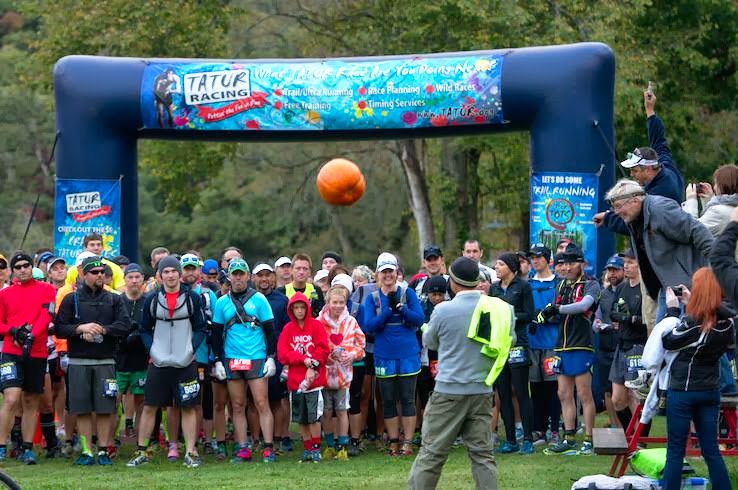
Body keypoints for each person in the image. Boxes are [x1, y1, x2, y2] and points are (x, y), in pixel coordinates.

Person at [408, 256, 514, 490]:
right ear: (477, 280)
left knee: (432, 454)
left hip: (448, 392)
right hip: (482, 391)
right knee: (482, 456)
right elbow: (509, 339)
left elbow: (430, 342)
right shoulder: (501, 308)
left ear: (453, 283)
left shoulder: (444, 310)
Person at [594, 179, 714, 325]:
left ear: (635, 201)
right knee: (663, 339)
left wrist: (719, 266)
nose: (616, 212)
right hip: (667, 288)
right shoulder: (635, 218)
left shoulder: (660, 210)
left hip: (686, 287)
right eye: (614, 208)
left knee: (679, 339)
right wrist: (607, 218)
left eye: (618, 207)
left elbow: (698, 231)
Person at [126, 256, 207, 469]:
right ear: (160, 276)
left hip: (185, 361)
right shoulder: (152, 299)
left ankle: (190, 451)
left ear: (179, 274)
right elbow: (143, 328)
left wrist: (191, 350)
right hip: (159, 362)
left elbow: (201, 328)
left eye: (173, 271)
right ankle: (141, 450)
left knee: (189, 407)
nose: (170, 275)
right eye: (166, 272)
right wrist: (151, 349)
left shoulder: (193, 298)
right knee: (150, 405)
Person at [659, 270, 734, 489]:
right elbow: (720, 311)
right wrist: (695, 301)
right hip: (710, 390)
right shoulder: (727, 323)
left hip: (683, 390)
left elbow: (668, 340)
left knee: (675, 450)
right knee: (711, 450)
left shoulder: (693, 322)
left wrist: (672, 311)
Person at [55, 256, 130, 466]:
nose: (100, 276)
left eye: (102, 272)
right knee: (82, 408)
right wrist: (80, 329)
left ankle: (104, 450)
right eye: (94, 272)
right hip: (79, 361)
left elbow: (125, 325)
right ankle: (87, 451)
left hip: (106, 361)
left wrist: (103, 330)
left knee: (106, 408)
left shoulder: (114, 299)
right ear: (83, 274)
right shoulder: (72, 299)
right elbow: (59, 328)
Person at [211, 258, 278, 463]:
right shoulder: (222, 302)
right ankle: (243, 448)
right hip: (232, 358)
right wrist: (218, 361)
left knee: (261, 402)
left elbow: (270, 330)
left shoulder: (259, 299)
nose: (238, 277)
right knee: (237, 405)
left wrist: (271, 358)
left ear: (248, 276)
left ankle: (268, 447)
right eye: (235, 274)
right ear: (229, 277)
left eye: (242, 274)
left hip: (256, 357)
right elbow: (215, 334)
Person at [363, 252, 424, 457]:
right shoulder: (372, 298)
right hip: (384, 355)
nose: (388, 275)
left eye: (391, 271)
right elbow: (369, 326)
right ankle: (393, 441)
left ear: (397, 272)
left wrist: (402, 309)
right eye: (384, 272)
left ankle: (407, 442)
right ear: (377, 274)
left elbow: (419, 319)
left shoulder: (408, 293)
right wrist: (388, 311)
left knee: (407, 399)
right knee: (387, 400)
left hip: (408, 354)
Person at [541, 246, 599, 456]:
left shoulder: (591, 284)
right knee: (563, 393)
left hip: (581, 344)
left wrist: (558, 309)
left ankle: (589, 439)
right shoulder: (562, 285)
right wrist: (545, 315)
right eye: (563, 263)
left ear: (582, 264)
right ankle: (570, 438)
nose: (566, 267)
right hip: (562, 345)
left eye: (572, 263)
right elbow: (559, 312)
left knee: (584, 393)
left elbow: (584, 306)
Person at [0, 252, 57, 464]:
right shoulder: (5, 294)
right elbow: (0, 323)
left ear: (31, 267)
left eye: (26, 266)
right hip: (11, 351)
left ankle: (27, 448)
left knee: (31, 400)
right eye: (18, 267)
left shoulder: (47, 289)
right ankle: (2, 446)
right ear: (12, 271)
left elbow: (47, 315)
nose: (23, 269)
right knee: (12, 398)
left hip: (37, 351)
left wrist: (31, 336)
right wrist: (14, 331)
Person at [490, 253, 535, 454]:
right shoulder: (493, 288)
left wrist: (508, 314)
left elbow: (529, 314)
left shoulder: (523, 286)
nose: (496, 267)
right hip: (499, 347)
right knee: (503, 394)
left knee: (522, 392)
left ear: (510, 267)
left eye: (500, 264)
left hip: (518, 345)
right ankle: (510, 440)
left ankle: (528, 439)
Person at [277, 292, 329, 463]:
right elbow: (283, 354)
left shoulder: (316, 326)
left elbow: (323, 350)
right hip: (295, 382)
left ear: (307, 308)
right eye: (296, 308)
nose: (299, 311)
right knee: (301, 418)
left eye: (302, 307)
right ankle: (307, 448)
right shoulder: (287, 329)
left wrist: (312, 365)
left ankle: (315, 448)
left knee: (314, 417)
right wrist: (302, 359)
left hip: (314, 382)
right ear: (291, 309)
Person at [318, 286, 365, 461]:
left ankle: (343, 446)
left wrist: (353, 355)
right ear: (328, 303)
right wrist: (327, 356)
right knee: (327, 412)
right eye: (334, 302)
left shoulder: (351, 322)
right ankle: (330, 445)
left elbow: (361, 344)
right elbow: (315, 345)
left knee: (343, 409)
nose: (338, 306)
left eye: (341, 302)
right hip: (324, 374)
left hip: (344, 376)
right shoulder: (319, 322)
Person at [617, 85, 684, 204]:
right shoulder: (665, 165)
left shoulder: (658, 194)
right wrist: (649, 109)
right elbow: (659, 141)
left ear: (648, 169)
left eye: (635, 170)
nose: (631, 174)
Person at [252, 262, 292, 453]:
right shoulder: (248, 298)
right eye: (260, 275)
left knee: (276, 399)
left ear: (274, 277)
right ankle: (256, 439)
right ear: (254, 278)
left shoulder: (282, 300)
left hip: (276, 354)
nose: (264, 279)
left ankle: (277, 438)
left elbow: (287, 329)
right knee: (255, 401)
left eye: (268, 275)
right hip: (253, 353)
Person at [607, 250, 647, 434]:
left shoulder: (646, 289)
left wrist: (629, 319)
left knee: (637, 397)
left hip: (639, 346)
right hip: (621, 346)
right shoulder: (622, 287)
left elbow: (647, 320)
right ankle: (629, 434)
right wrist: (627, 318)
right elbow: (613, 313)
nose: (626, 265)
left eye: (631, 262)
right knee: (617, 399)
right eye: (625, 262)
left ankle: (641, 440)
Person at [526, 245, 561, 446]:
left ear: (548, 260)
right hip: (532, 343)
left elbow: (560, 311)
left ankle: (555, 429)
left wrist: (548, 317)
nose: (535, 261)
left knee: (553, 387)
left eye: (539, 257)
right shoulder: (528, 284)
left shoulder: (558, 283)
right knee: (535, 387)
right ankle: (538, 430)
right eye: (532, 257)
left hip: (552, 343)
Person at [114, 263, 149, 449]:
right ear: (125, 279)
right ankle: (109, 443)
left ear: (143, 279)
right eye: (130, 277)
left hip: (141, 361)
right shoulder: (117, 301)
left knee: (141, 403)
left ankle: (140, 444)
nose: (134, 281)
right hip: (119, 361)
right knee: (113, 402)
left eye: (137, 277)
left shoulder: (148, 301)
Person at [593, 254, 625, 428]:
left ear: (623, 271)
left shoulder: (630, 290)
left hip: (624, 347)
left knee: (627, 391)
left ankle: (634, 430)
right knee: (607, 390)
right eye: (609, 270)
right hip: (605, 347)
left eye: (615, 270)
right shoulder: (602, 294)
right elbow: (595, 320)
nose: (611, 274)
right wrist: (598, 325)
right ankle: (615, 427)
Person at [416, 275, 447, 443]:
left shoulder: (448, 308)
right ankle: (426, 432)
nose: (436, 298)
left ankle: (443, 433)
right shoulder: (421, 307)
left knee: (441, 396)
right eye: (433, 295)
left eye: (440, 295)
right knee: (424, 395)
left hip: (442, 358)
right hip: (423, 358)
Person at [683, 164, 738, 239]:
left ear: (723, 186)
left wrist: (691, 200)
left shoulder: (719, 212)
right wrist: (709, 200)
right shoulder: (733, 208)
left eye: (716, 183)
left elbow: (690, 230)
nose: (714, 187)